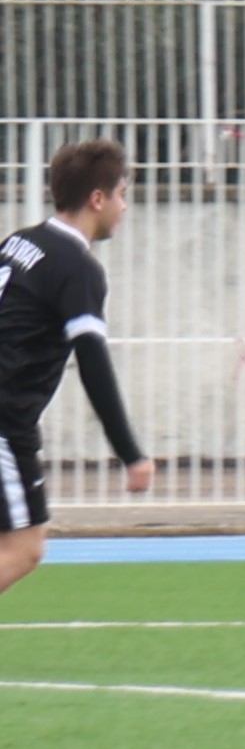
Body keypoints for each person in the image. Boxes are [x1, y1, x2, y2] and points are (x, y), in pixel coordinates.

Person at [0, 137, 153, 600]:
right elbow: (92, 360)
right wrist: (131, 453)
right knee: (25, 548)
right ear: (98, 199)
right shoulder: (77, 267)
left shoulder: (19, 243)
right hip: (4, 425)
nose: (125, 207)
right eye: (123, 194)